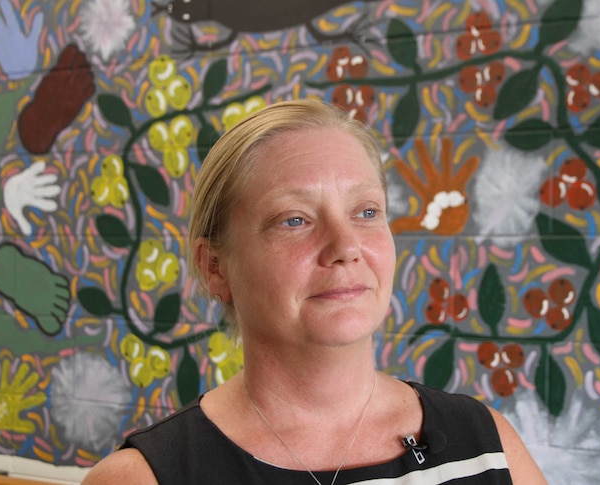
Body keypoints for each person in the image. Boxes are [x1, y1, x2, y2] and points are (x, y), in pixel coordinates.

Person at [83, 99, 548, 485]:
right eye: (294, 220)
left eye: (366, 212)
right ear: (215, 268)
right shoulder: (146, 478)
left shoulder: (488, 447)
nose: (346, 247)